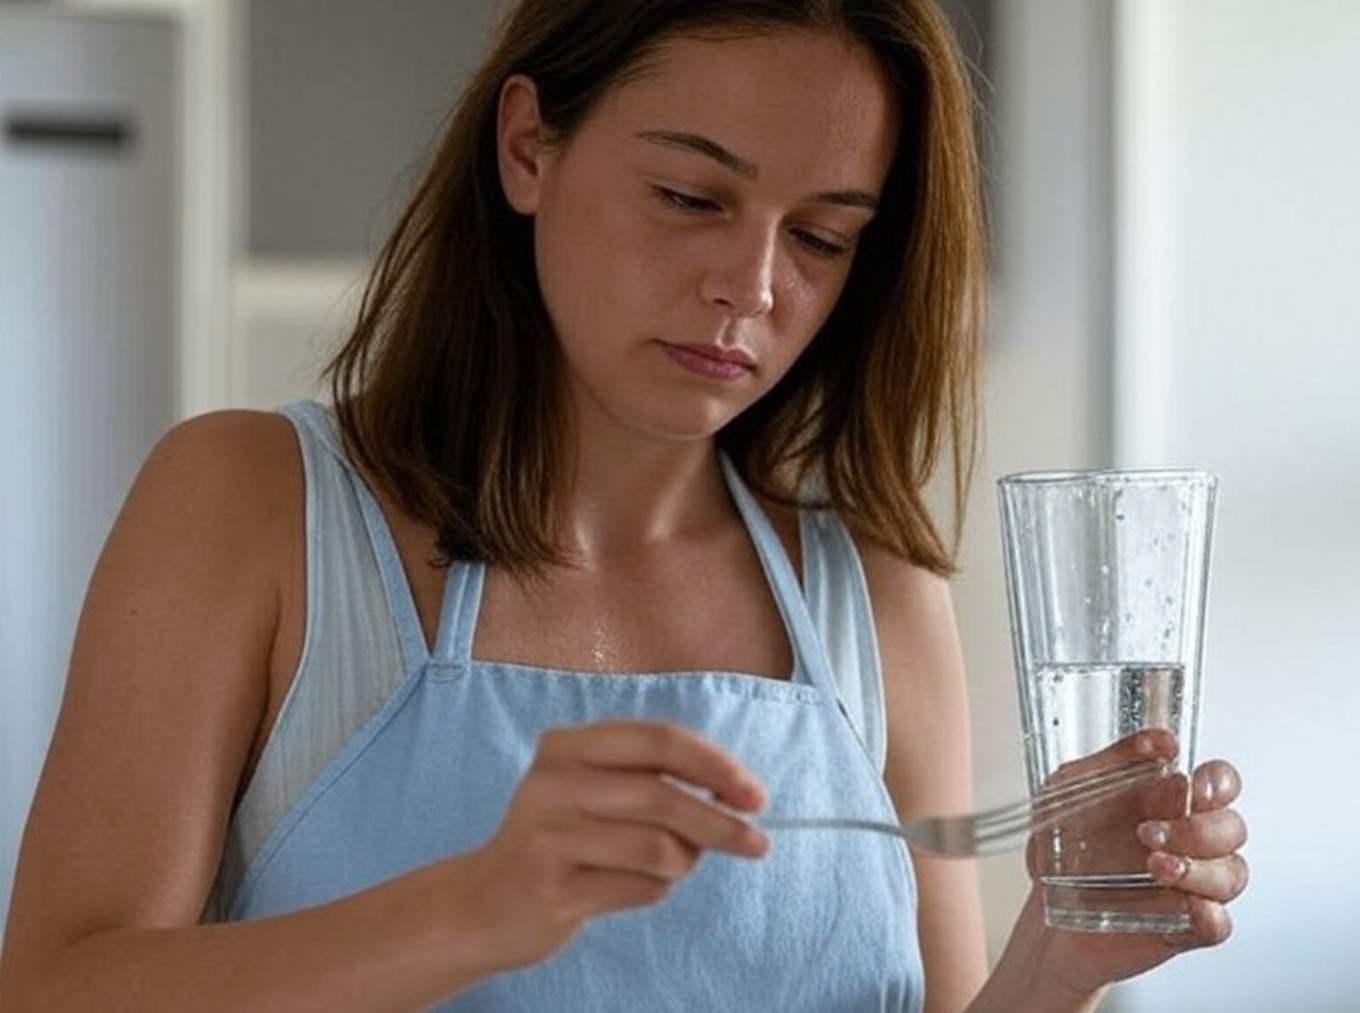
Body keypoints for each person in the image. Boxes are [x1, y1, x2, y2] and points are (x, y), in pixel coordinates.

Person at [0, 1, 1249, 1010]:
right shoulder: (248, 503)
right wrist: (469, 910)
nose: (750, 288)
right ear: (529, 145)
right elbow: (57, 986)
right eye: (692, 198)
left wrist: (1063, 961)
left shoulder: (873, 592)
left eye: (819, 236)